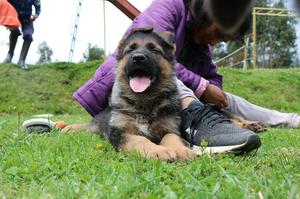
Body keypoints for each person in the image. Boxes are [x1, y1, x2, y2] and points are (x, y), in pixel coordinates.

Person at [71, 0, 298, 154]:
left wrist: (215, 93)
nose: (216, 42)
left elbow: (212, 77)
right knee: (168, 76)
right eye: (219, 33)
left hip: (167, 102)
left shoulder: (200, 46)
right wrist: (202, 86)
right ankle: (201, 125)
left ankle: (288, 119)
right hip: (133, 88)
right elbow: (148, 54)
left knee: (227, 98)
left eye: (223, 41)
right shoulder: (167, 6)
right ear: (208, 13)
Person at [3, 0, 40, 69]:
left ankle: (21, 60)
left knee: (28, 35)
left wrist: (36, 14)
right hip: (14, 16)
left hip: (27, 19)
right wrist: (6, 19)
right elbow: (4, 4)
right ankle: (10, 55)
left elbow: (37, 5)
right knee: (14, 31)